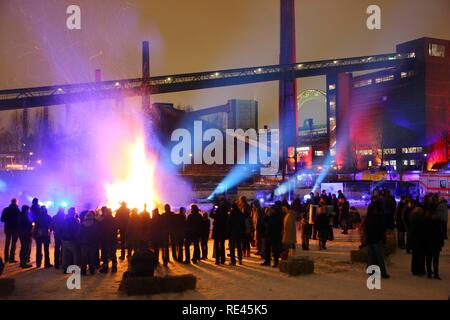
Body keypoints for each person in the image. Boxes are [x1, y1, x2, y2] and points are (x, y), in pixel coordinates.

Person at [364, 196, 390, 279]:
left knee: (371, 256)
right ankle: (383, 272)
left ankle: (371, 270)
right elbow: (382, 228)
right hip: (376, 238)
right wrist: (383, 237)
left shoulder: (368, 217)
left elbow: (366, 228)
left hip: (370, 238)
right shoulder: (379, 216)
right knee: (379, 256)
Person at [424, 197, 444, 279]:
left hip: (429, 241)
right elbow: (440, 232)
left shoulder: (426, 217)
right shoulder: (437, 220)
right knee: (435, 258)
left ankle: (429, 273)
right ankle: (435, 273)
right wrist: (441, 242)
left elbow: (424, 231)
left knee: (429, 258)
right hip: (435, 242)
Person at [79, 211, 99, 275]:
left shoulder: (82, 225)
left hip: (84, 244)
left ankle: (83, 271)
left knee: (84, 258)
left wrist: (80, 241)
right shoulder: (95, 225)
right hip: (93, 244)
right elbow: (97, 234)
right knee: (92, 258)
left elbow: (79, 234)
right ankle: (92, 271)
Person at [410, 199, 427, 276]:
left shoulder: (412, 218)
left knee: (414, 256)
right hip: (420, 240)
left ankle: (414, 270)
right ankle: (420, 270)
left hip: (414, 240)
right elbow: (423, 230)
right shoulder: (422, 219)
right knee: (421, 256)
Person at [61, 207, 80, 273]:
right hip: (72, 239)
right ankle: (75, 268)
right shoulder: (75, 221)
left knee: (65, 254)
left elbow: (61, 229)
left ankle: (65, 268)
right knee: (75, 254)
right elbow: (77, 231)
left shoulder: (64, 220)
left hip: (64, 239)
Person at [1, 198, 20, 263]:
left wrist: (8, 220)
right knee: (13, 244)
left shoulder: (6, 209)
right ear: (16, 202)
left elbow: (2, 219)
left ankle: (6, 258)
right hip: (15, 229)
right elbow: (19, 220)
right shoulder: (17, 210)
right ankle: (12, 258)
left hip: (8, 228)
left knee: (7, 243)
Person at [99, 207, 118, 273]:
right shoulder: (114, 220)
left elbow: (100, 230)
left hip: (105, 241)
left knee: (105, 255)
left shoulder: (103, 221)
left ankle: (105, 267)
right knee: (113, 254)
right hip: (113, 240)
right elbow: (117, 229)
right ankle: (114, 267)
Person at [210, 201, 228, 265]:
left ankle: (217, 260)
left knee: (217, 246)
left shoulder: (217, 213)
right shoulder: (226, 214)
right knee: (222, 246)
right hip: (223, 231)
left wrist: (213, 209)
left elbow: (211, 215)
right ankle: (223, 260)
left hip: (217, 231)